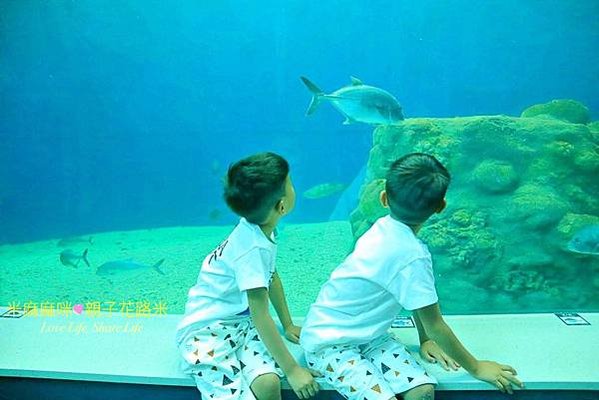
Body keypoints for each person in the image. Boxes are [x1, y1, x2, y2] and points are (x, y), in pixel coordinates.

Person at [299, 153, 524, 399]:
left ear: (384, 198)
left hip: (371, 336)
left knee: (423, 390)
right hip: (329, 344)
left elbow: (416, 298)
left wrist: (425, 339)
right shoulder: (411, 256)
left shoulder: (385, 228)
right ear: (440, 207)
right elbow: (436, 324)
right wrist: (477, 367)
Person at [176, 152, 320, 400]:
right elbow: (260, 313)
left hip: (241, 324)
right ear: (281, 206)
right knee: (229, 395)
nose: (294, 187)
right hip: (208, 331)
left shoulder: (259, 229)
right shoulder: (251, 248)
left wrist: (287, 324)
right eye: (290, 184)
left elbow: (271, 277)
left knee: (268, 384)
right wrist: (293, 369)